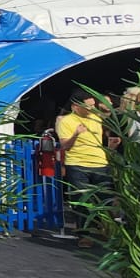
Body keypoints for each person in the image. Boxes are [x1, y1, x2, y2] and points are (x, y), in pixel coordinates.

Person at [57, 86, 111, 247]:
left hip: (100, 163)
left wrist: (104, 105)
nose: (91, 108)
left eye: (93, 105)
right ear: (75, 107)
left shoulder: (96, 117)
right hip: (78, 165)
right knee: (82, 201)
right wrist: (76, 134)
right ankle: (84, 235)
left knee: (104, 200)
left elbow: (114, 114)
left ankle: (101, 231)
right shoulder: (66, 121)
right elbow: (64, 145)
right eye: (88, 106)